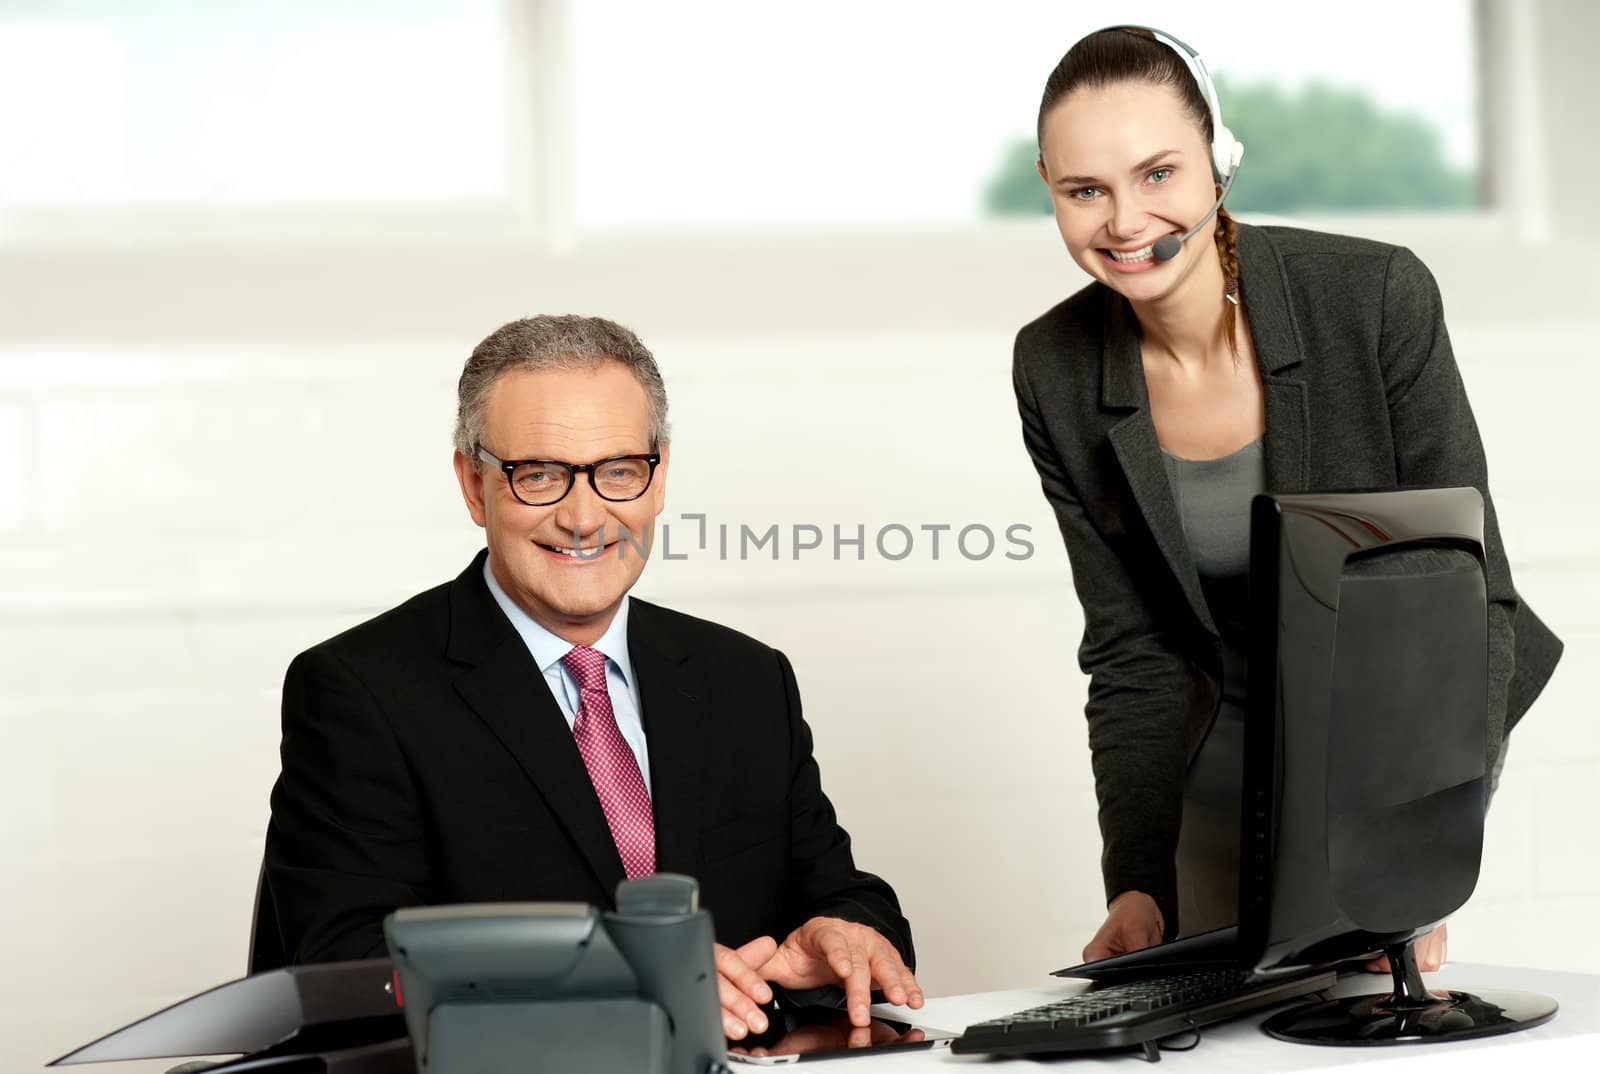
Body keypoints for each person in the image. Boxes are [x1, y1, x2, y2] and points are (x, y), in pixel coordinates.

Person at [1014, 27, 1562, 970]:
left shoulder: (1373, 296)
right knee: (1224, 1020)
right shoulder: (1054, 367)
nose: (1126, 222)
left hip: (1405, 717)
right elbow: (1132, 651)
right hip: (1222, 743)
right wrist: (1139, 880)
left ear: (1220, 159)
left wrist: (1408, 858)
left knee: (1358, 1006)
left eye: (1157, 174)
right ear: (1050, 187)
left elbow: (1462, 593)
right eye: (1085, 190)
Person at [264, 315, 923, 1039]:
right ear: (474, 484)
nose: (584, 517)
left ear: (659, 475)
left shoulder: (746, 679)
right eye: (538, 474)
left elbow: (843, 893)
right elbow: (346, 973)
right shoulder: (360, 692)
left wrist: (849, 933)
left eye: (617, 471)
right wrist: (618, 975)